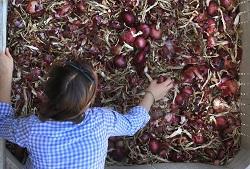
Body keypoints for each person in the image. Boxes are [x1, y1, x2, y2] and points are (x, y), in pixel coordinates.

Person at [0, 48, 174, 169]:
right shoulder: (101, 121)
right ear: (89, 103)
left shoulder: (32, 129)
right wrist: (151, 95)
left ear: (45, 93)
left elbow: (2, 124)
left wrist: (6, 74)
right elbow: (131, 124)